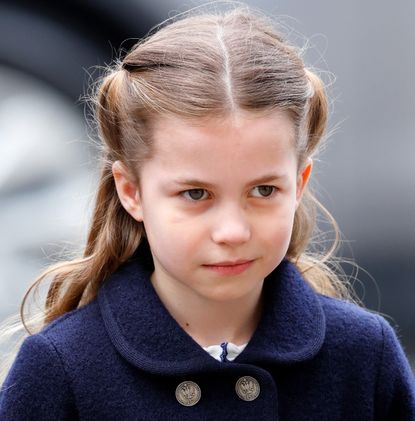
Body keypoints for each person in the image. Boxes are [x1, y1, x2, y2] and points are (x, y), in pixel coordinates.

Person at [0, 4, 414, 420]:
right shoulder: (62, 366)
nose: (232, 231)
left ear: (299, 184)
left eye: (264, 190)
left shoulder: (363, 355)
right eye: (196, 194)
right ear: (131, 191)